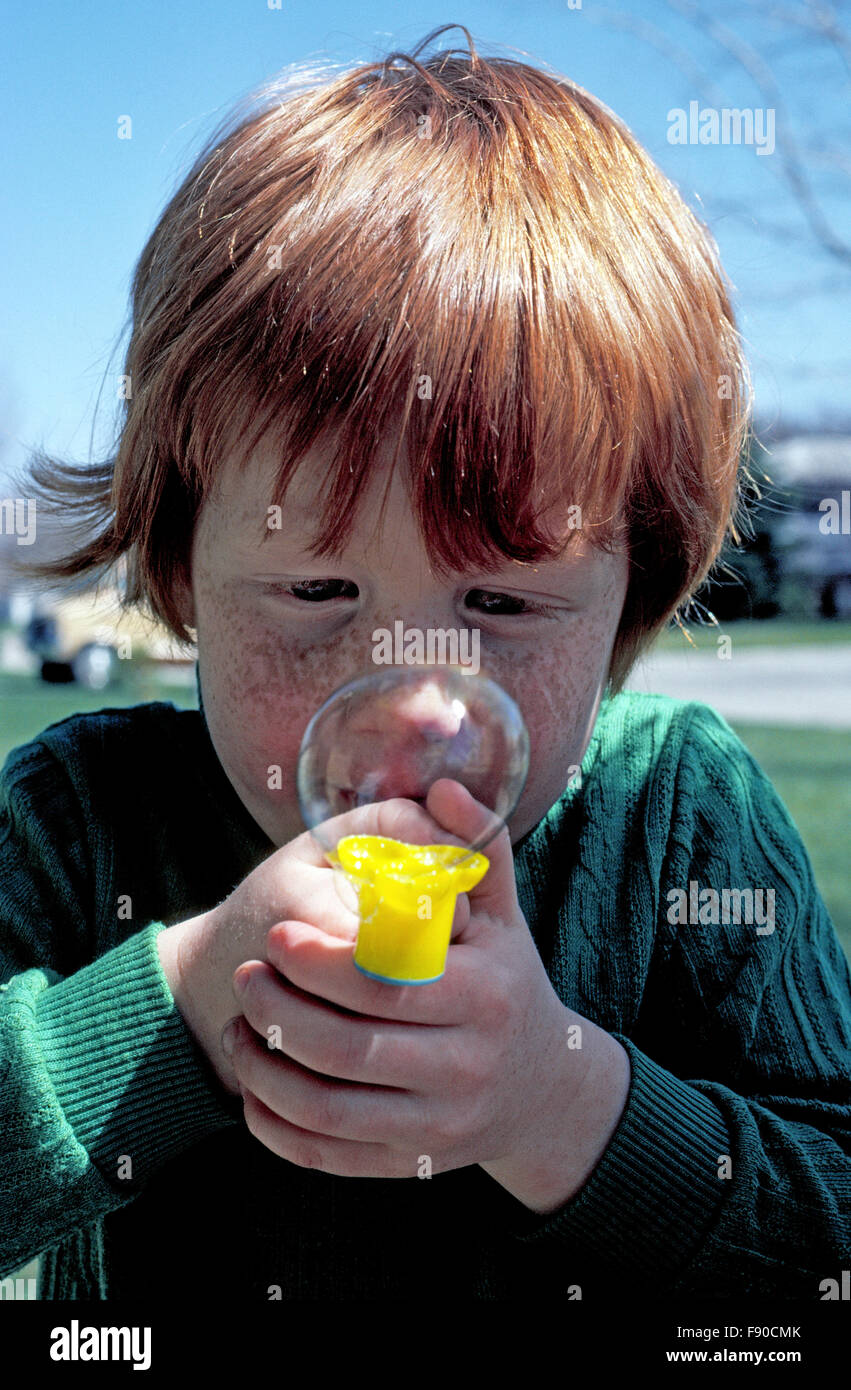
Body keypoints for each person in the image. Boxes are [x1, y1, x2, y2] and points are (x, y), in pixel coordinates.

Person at [1, 25, 849, 1302]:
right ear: (179, 576)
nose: (413, 700)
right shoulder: (80, 827)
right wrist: (171, 1014)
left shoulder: (676, 820)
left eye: (505, 599)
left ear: (628, 609)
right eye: (316, 590)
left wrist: (561, 1103)